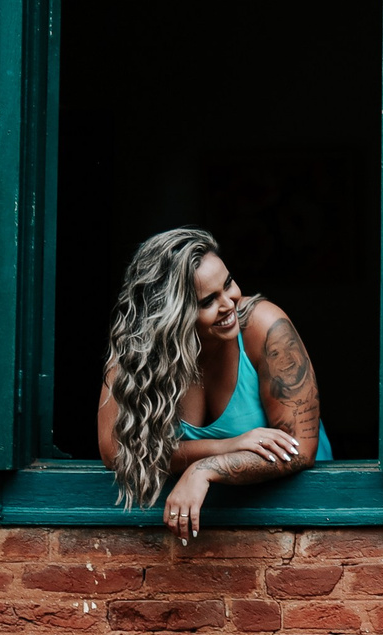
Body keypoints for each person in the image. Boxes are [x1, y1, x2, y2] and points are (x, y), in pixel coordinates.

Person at [97, 227, 327, 541]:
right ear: (170, 316)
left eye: (228, 283)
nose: (229, 303)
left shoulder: (264, 326)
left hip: (306, 518)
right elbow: (114, 452)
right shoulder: (137, 352)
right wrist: (223, 447)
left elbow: (301, 449)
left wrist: (204, 469)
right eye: (207, 301)